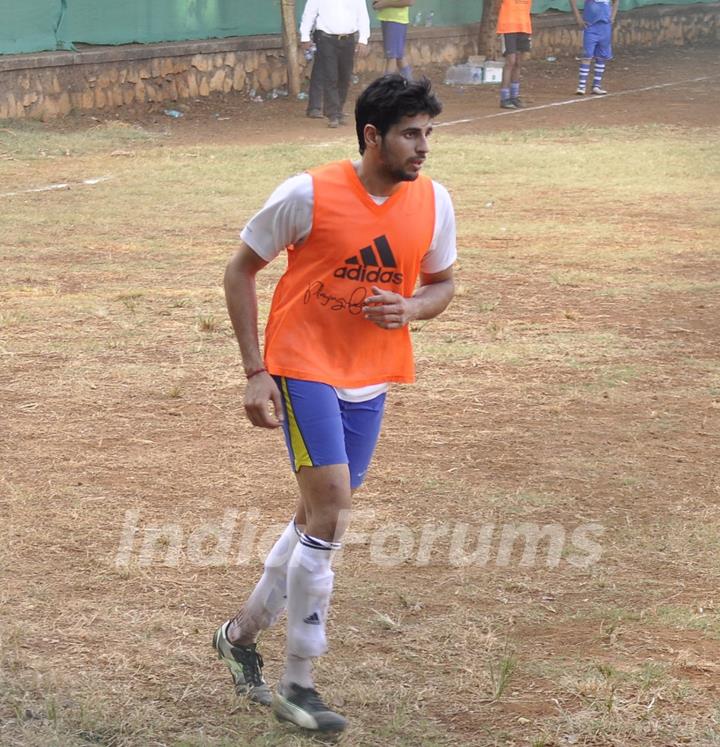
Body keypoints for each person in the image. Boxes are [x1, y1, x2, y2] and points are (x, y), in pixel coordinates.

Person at [213, 74, 457, 733]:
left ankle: (238, 635)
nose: (424, 146)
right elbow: (240, 270)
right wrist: (254, 371)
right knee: (332, 511)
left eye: (429, 132)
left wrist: (410, 306)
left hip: (370, 376)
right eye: (411, 132)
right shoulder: (307, 193)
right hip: (302, 366)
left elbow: (442, 284)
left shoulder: (433, 203)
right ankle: (300, 679)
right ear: (372, 136)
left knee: (314, 512)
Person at [299, 0, 371, 128]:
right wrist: (305, 36)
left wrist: (363, 39)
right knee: (330, 75)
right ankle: (333, 114)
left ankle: (338, 109)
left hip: (348, 39)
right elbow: (309, 13)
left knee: (344, 76)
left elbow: (363, 16)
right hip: (326, 38)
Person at [569, 0, 619, 95]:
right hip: (590, 26)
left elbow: (616, 2)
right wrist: (578, 18)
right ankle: (581, 86)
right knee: (587, 55)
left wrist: (613, 16)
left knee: (601, 56)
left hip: (605, 26)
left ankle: (596, 86)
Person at [496, 0, 532, 109]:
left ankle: (514, 97)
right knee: (510, 62)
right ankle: (504, 98)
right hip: (508, 27)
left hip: (524, 26)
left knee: (518, 62)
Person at [372, 0, 415, 79]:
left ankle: (386, 88)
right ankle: (412, 87)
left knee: (392, 57)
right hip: (388, 19)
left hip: (396, 21)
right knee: (399, 57)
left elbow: (409, 2)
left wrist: (384, 3)